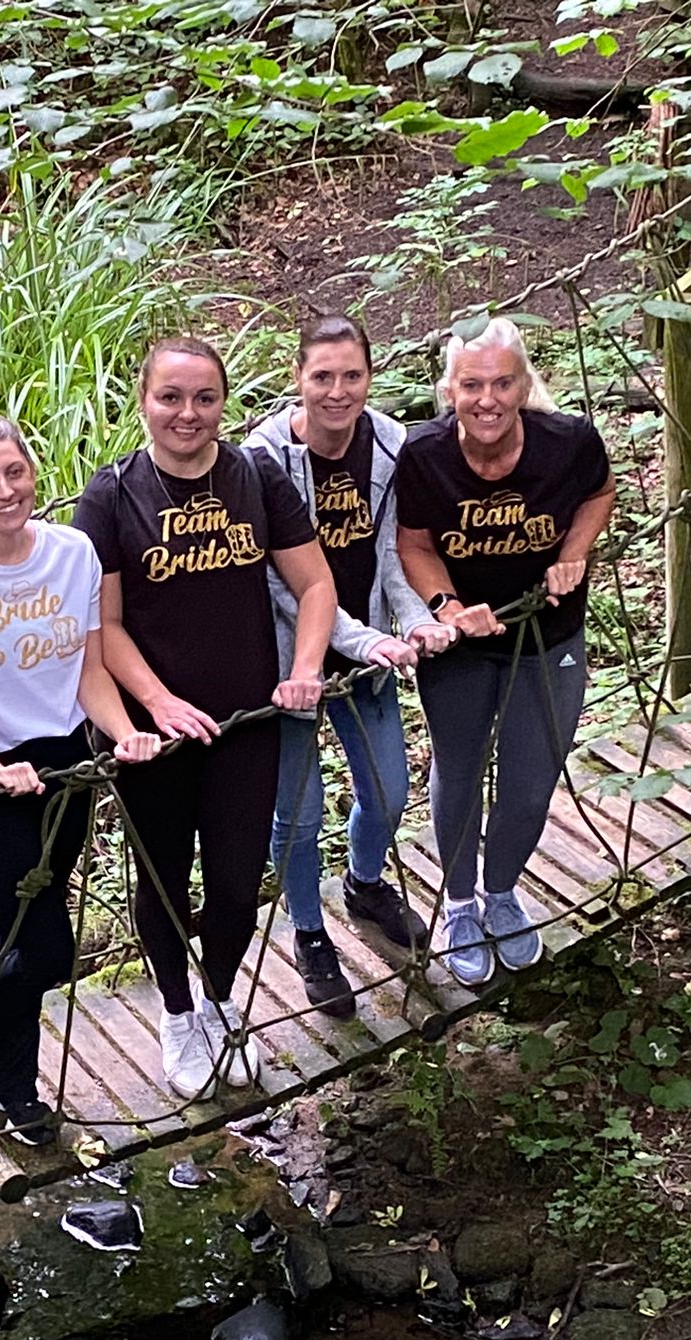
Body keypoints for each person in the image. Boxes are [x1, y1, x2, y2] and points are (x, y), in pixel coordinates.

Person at [73, 337, 337, 1100]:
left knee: (235, 881)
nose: (187, 414)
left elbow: (315, 584)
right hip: (149, 730)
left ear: (224, 403)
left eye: (204, 398)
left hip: (245, 720)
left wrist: (305, 668)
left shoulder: (255, 478)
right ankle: (177, 1012)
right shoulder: (111, 496)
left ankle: (219, 999)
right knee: (161, 878)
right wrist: (157, 703)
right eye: (170, 397)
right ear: (143, 402)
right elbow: (103, 625)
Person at [0, 412, 162, 1145]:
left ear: (33, 471)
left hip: (66, 765)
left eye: (14, 472)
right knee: (42, 943)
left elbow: (87, 668)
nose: (4, 491)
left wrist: (124, 732)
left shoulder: (72, 553)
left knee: (29, 933)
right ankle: (3, 1071)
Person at [246, 314, 457, 1018]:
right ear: (297, 378)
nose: (337, 392)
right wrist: (362, 639)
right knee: (298, 814)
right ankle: (309, 932)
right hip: (289, 664)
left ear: (370, 376)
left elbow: (395, 552)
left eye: (352, 376)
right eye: (322, 376)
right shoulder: (262, 459)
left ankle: (365, 885)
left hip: (369, 655)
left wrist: (417, 620)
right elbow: (282, 581)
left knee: (390, 791)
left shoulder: (391, 443)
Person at [395, 317, 615, 986]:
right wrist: (447, 607)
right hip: (463, 643)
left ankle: (501, 891)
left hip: (548, 636)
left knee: (530, 778)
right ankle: (460, 904)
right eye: (471, 385)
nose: (487, 400)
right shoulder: (424, 454)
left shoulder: (569, 442)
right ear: (449, 391)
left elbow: (599, 494)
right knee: (459, 770)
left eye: (501, 383)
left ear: (523, 386)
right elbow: (414, 543)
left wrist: (574, 552)